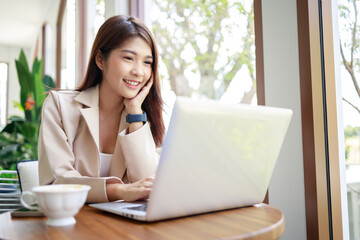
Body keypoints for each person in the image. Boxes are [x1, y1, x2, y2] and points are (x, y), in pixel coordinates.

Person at [38, 15, 165, 203]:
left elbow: (147, 184)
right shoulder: (59, 106)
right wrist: (119, 191)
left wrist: (134, 112)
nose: (139, 71)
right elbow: (58, 181)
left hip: (124, 226)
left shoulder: (144, 116)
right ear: (100, 59)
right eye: (129, 58)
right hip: (72, 221)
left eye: (147, 62)